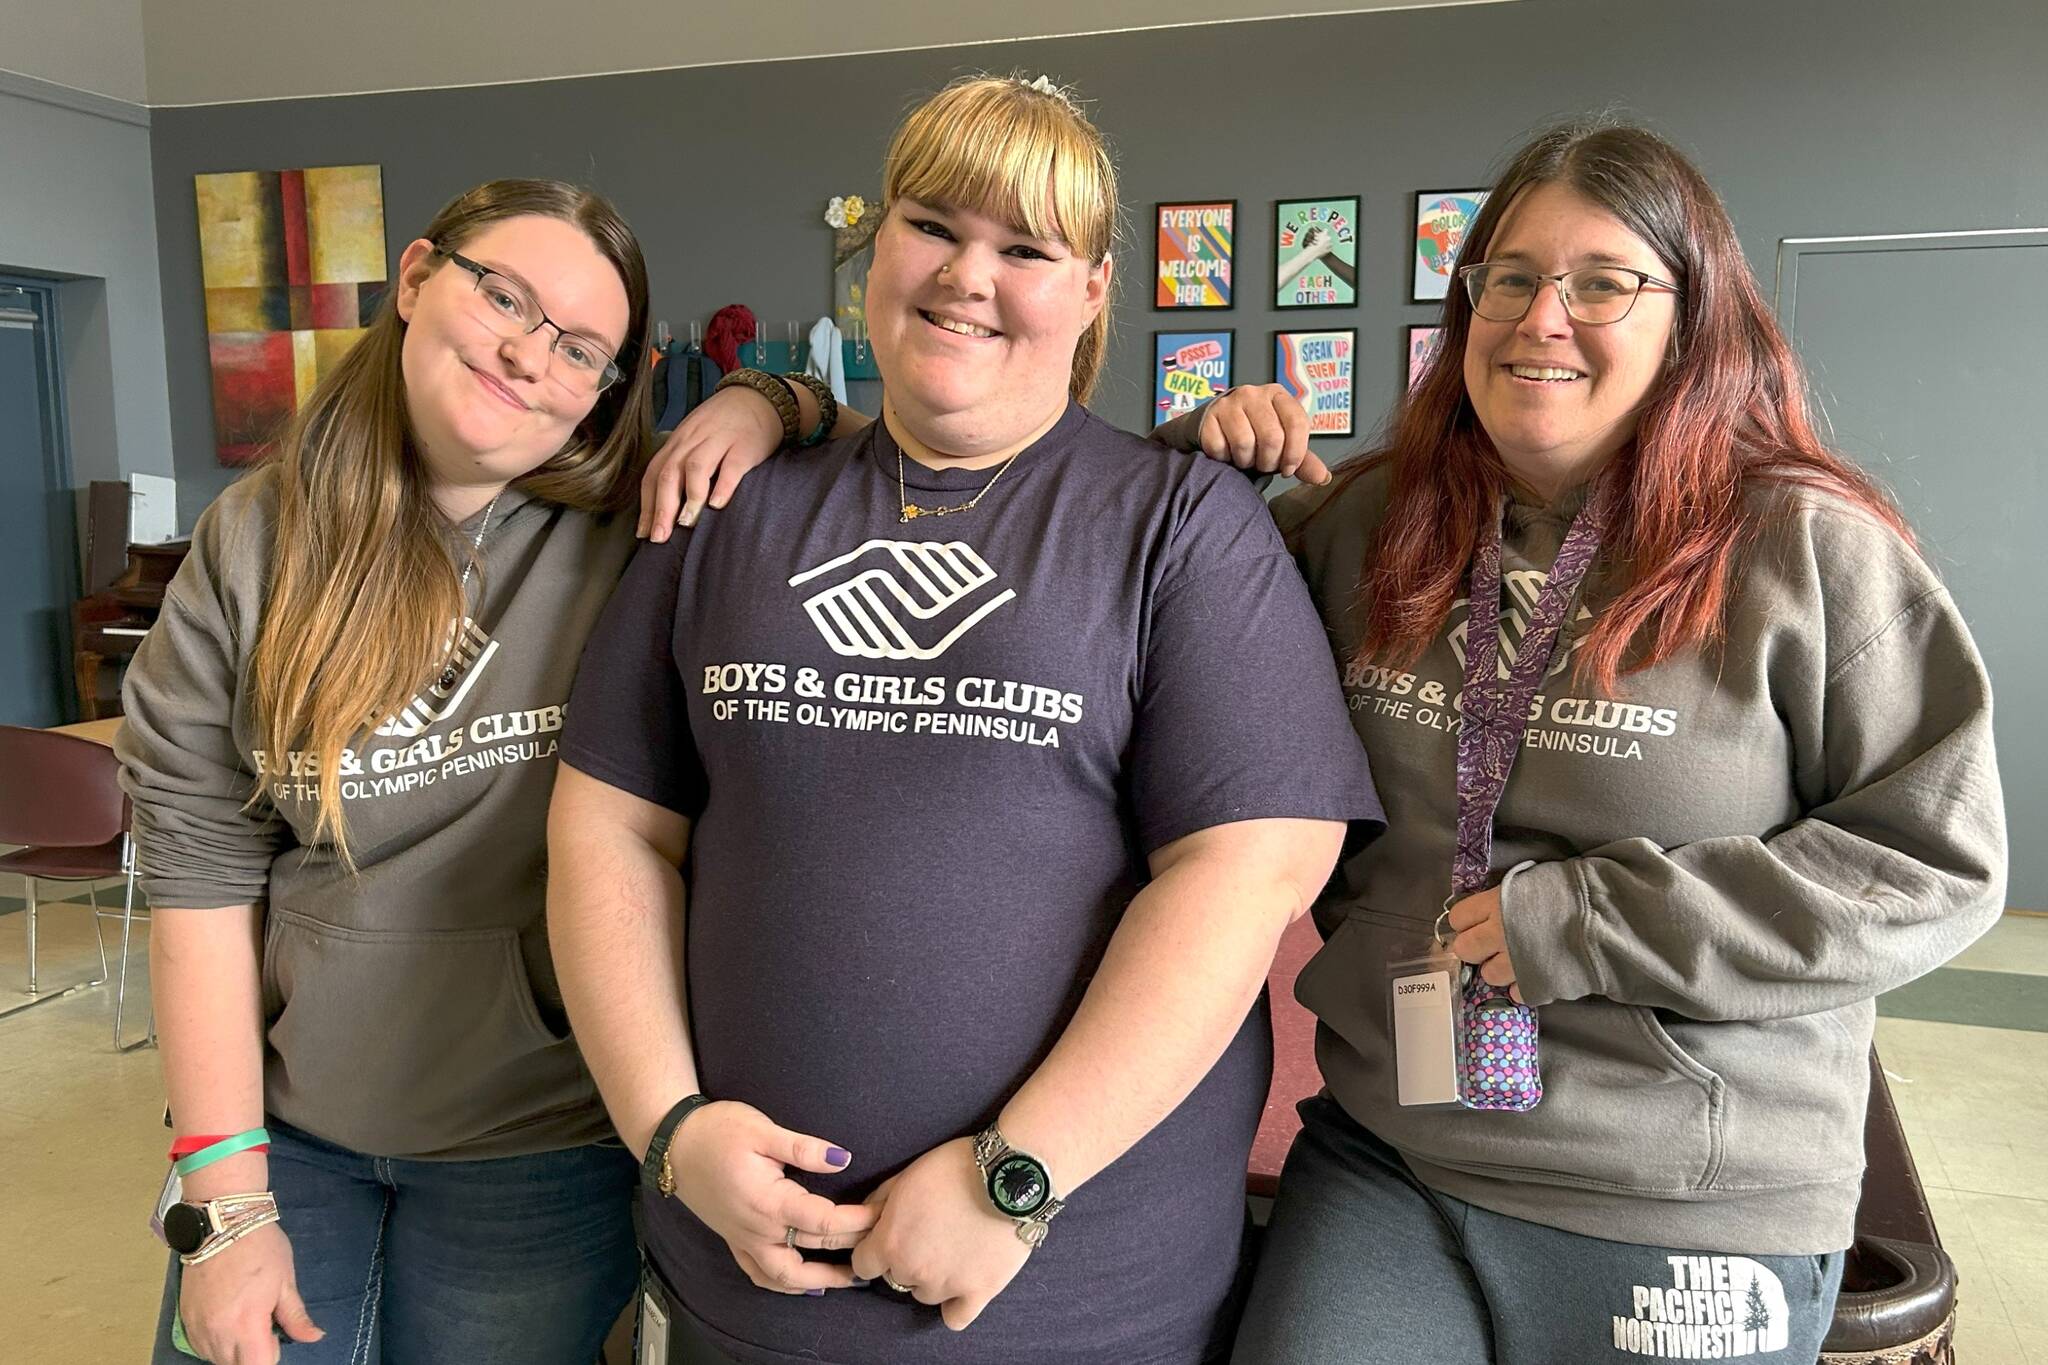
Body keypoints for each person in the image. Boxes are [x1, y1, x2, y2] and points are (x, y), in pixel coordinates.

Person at [546, 73, 1383, 1365]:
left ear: (1095, 289)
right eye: (933, 224)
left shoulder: (1183, 526)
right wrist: (670, 1132)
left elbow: (1251, 869)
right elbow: (610, 832)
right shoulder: (723, 504)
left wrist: (1014, 1177)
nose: (966, 275)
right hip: (737, 1290)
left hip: (1079, 1306)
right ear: (874, 245)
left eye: (1026, 248)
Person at [1198, 122, 2006, 1363]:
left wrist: (1580, 920)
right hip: (1389, 1149)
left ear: (1692, 317)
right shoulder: (1363, 525)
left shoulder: (1807, 550)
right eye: (1508, 278)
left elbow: (1930, 868)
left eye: (1601, 282)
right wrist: (1199, 466)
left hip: (1685, 1190)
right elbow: (1136, 605)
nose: (1541, 317)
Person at [120, 178, 657, 1365]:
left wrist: (772, 402)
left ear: (602, 396)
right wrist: (223, 1205)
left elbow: (875, 464)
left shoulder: (645, 538)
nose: (527, 354)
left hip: (542, 1146)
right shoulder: (253, 544)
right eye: (503, 296)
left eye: (579, 348)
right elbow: (199, 878)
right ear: (415, 278)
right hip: (286, 1133)